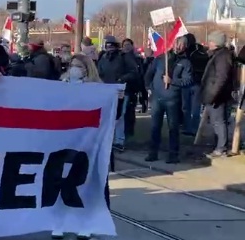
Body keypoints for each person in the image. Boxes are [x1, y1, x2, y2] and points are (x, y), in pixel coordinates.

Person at [53, 53, 102, 240]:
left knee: (83, 183)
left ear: (87, 69)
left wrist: (118, 98)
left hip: (86, 142)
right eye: (72, 65)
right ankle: (59, 222)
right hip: (64, 140)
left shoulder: (96, 88)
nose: (74, 69)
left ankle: (85, 223)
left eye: (79, 66)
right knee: (59, 181)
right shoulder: (61, 85)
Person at [144, 36, 192, 164]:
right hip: (157, 98)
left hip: (173, 100)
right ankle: (152, 152)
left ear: (185, 46)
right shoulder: (161, 59)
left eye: (182, 44)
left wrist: (173, 81)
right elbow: (149, 73)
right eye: (177, 43)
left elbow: (188, 80)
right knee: (155, 127)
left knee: (173, 128)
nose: (178, 46)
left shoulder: (186, 62)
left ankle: (173, 155)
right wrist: (148, 87)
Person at [97, 35, 138, 152]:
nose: (109, 48)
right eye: (107, 46)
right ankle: (108, 140)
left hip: (120, 91)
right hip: (106, 90)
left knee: (120, 116)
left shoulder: (124, 57)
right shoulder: (103, 58)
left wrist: (121, 79)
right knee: (107, 116)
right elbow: (99, 72)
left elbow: (133, 72)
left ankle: (119, 141)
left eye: (111, 46)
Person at [200, 31, 235, 157]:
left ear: (215, 42)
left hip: (218, 96)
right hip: (215, 94)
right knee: (217, 121)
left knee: (219, 122)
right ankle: (219, 146)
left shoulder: (222, 56)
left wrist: (213, 95)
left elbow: (221, 78)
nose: (208, 43)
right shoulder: (218, 55)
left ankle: (221, 148)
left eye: (210, 40)